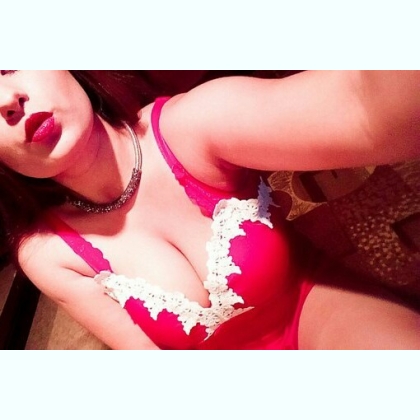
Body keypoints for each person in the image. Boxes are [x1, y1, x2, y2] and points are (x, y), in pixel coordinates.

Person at [1, 70, 419, 350]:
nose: (7, 101)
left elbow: (361, 107)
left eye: (9, 65)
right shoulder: (48, 252)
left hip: (319, 311)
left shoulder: (189, 126)